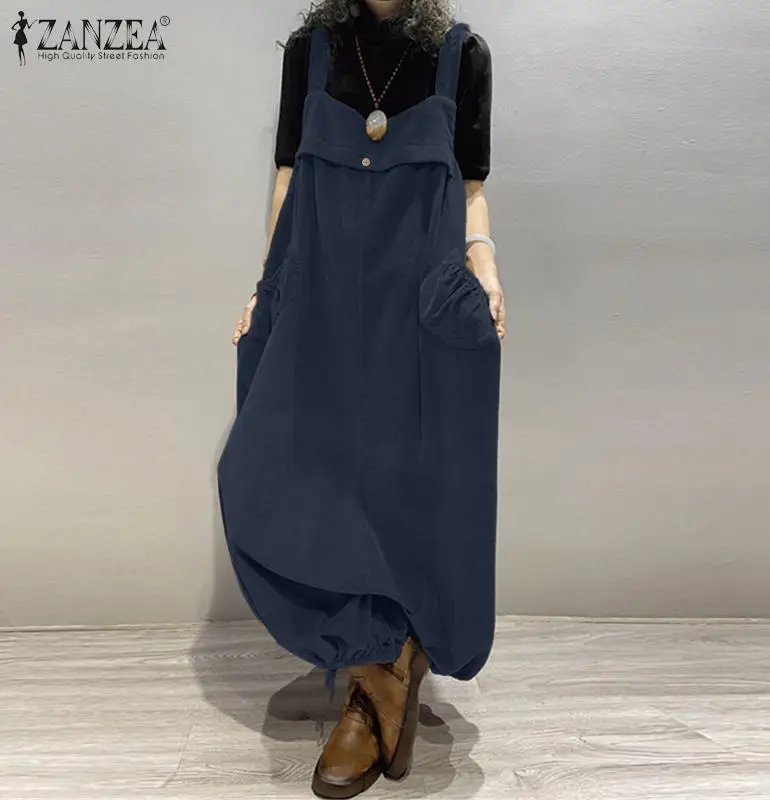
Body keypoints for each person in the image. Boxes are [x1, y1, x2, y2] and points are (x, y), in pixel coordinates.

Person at [216, 1, 505, 796]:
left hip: (418, 304)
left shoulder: (462, 56)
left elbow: (471, 191)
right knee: (297, 471)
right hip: (323, 299)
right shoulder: (311, 52)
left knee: (408, 483)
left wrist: (486, 270)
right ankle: (377, 661)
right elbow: (288, 180)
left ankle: (379, 674)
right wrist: (266, 287)